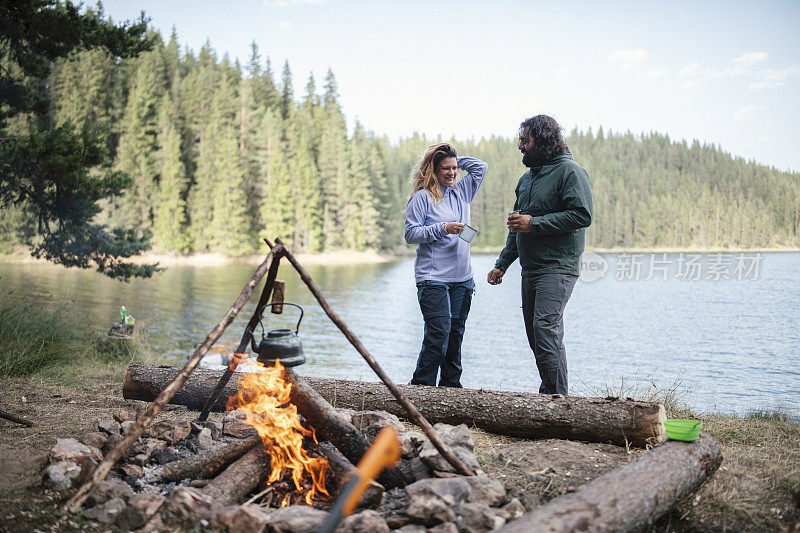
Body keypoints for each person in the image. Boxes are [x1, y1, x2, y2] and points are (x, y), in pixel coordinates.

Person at [487, 115, 593, 395]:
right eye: (519, 140)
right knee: (537, 335)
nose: (520, 146)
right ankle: (551, 395)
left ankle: (558, 403)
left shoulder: (570, 172)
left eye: (525, 140)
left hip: (558, 266)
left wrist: (533, 224)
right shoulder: (526, 179)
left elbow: (581, 214)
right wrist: (502, 264)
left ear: (543, 140)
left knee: (545, 328)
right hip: (531, 268)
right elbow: (517, 225)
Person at [404, 143, 488, 387]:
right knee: (438, 335)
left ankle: (451, 391)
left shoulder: (462, 191)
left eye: (454, 168)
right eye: (445, 169)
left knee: (455, 338)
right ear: (433, 170)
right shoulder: (422, 198)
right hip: (433, 279)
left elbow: (481, 168)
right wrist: (443, 228)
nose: (452, 173)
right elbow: (411, 234)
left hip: (462, 279)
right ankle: (420, 389)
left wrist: (455, 160)